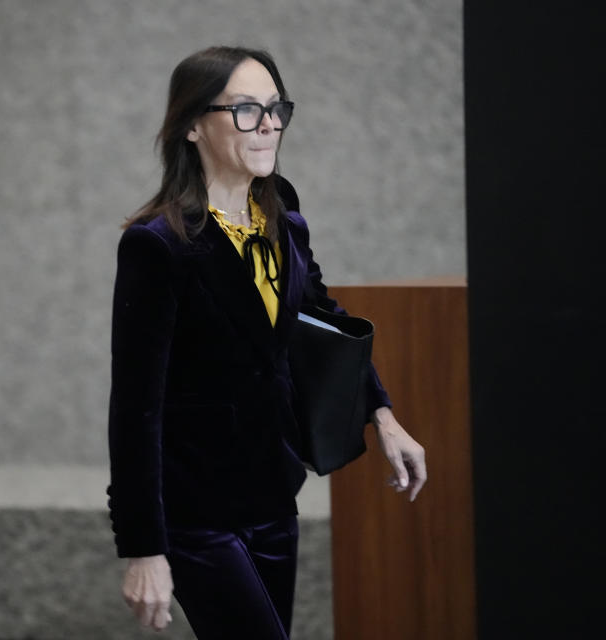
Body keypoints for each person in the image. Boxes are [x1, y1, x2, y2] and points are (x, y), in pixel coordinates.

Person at [106, 46, 427, 639]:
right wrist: (143, 549)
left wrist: (382, 414)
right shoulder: (159, 245)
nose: (270, 125)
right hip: (195, 512)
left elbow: (320, 319)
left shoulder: (281, 212)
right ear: (194, 126)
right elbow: (134, 408)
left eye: (276, 108)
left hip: (274, 493)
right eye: (248, 110)